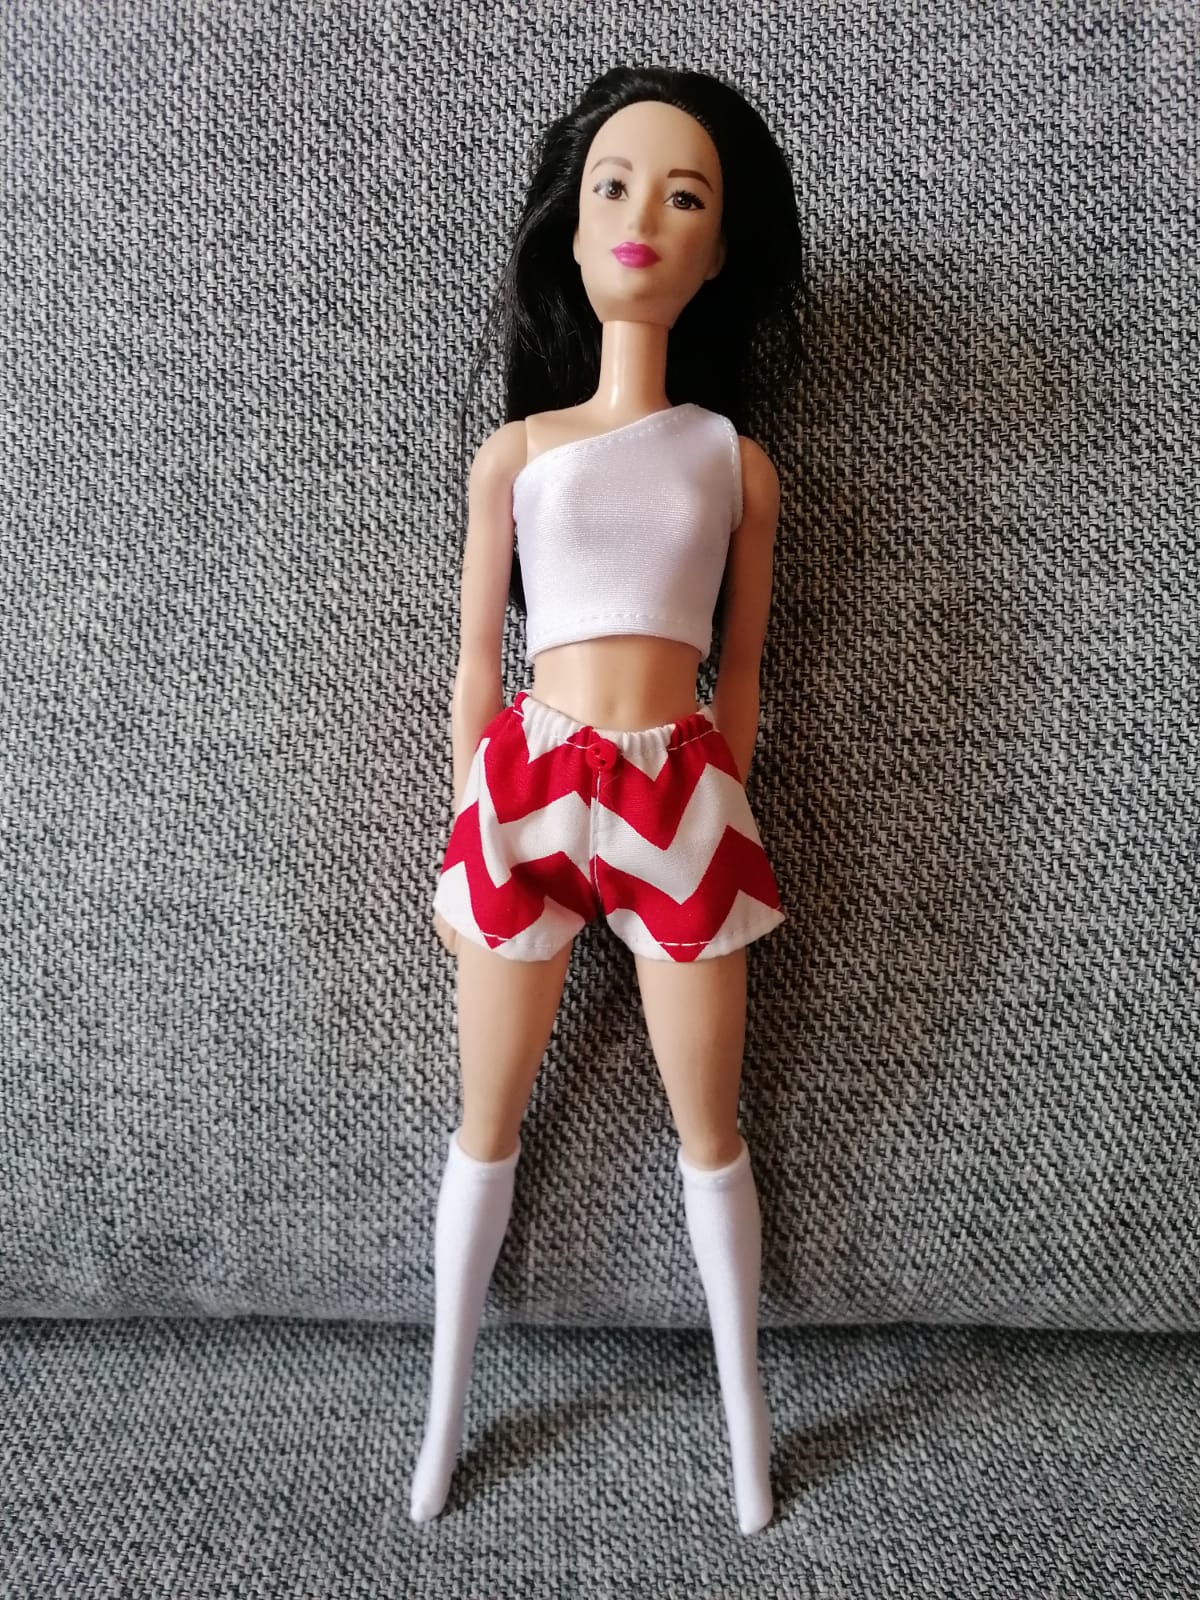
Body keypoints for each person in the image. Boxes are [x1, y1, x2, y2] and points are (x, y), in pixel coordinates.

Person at [410, 64, 808, 1536]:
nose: (642, 215)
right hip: (526, 781)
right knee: (485, 1124)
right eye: (613, 186)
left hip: (677, 793)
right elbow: (477, 661)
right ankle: (443, 1419)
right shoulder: (517, 455)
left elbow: (745, 668)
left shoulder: (736, 465)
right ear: (570, 230)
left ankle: (748, 1431)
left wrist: (718, 796)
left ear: (721, 252)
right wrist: (471, 817)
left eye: (683, 195)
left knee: (715, 1129)